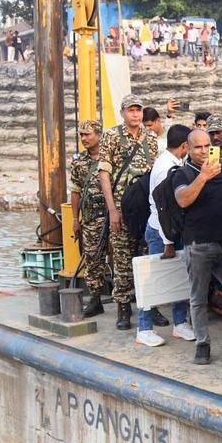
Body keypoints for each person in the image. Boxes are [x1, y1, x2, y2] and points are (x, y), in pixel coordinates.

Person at [174, 127, 222, 364]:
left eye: (206, 146)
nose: (203, 151)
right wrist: (203, 176)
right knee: (198, 298)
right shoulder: (182, 173)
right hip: (198, 245)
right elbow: (183, 200)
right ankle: (202, 344)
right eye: (197, 147)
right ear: (188, 149)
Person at [98, 95, 160, 330]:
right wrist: (112, 210)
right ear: (123, 112)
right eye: (130, 110)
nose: (135, 114)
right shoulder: (112, 136)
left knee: (147, 257)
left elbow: (155, 172)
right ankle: (123, 306)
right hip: (122, 208)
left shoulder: (150, 138)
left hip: (145, 207)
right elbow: (104, 173)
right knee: (123, 258)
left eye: (138, 110)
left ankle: (150, 304)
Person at [135, 125, 195, 347]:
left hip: (173, 230)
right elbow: (163, 208)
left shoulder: (175, 162)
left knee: (178, 278)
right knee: (153, 280)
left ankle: (180, 323)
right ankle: (144, 328)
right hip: (161, 232)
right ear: (184, 145)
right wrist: (168, 242)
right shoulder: (165, 168)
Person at [69, 119, 111, 318]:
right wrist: (74, 219)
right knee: (93, 260)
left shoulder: (111, 157)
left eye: (88, 134)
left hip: (113, 217)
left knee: (122, 258)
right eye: (81, 135)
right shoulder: (79, 162)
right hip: (91, 219)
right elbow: (75, 191)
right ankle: (95, 299)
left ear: (99, 135)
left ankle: (125, 301)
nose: (84, 138)